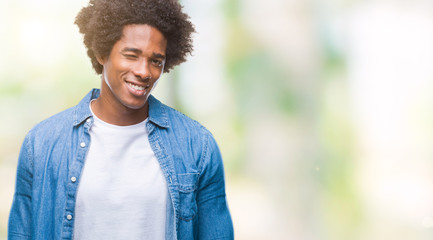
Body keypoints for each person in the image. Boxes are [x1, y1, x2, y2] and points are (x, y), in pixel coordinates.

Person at [7, 0, 234, 239]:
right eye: (131, 55)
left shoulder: (198, 146)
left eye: (156, 61)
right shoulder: (42, 144)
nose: (144, 72)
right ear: (102, 52)